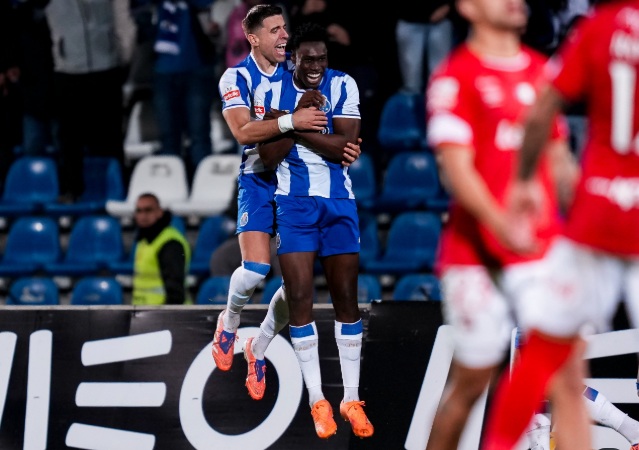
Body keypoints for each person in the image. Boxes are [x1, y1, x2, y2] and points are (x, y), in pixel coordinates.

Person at [481, 0, 639, 448]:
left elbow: (544, 113)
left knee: (543, 353)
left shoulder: (598, 29)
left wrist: (524, 182)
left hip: (599, 210)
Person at [423, 0, 581, 448]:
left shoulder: (543, 70)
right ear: (468, 7)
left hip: (539, 248)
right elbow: (456, 170)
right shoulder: (454, 76)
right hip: (475, 252)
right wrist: (500, 222)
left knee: (566, 377)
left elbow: (559, 159)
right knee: (472, 382)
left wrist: (587, 222)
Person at [253, 22, 373, 440]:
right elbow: (269, 157)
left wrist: (291, 125)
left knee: (346, 300)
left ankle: (351, 400)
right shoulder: (271, 90)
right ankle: (318, 400)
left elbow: (346, 148)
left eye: (322, 58)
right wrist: (297, 117)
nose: (316, 66)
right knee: (300, 295)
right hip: (294, 204)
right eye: (308, 59)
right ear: (293, 59)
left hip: (339, 202)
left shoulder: (344, 84)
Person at [211, 3, 334, 374]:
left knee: (297, 285)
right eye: (275, 30)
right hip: (258, 177)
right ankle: (230, 320)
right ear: (252, 38)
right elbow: (242, 131)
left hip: (296, 180)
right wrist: (291, 121)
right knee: (254, 270)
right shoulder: (236, 77)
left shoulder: (296, 75)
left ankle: (259, 345)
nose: (284, 35)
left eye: (284, 28)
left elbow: (316, 122)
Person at [43, 0, 133, 202]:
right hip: (68, 70)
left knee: (110, 135)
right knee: (69, 136)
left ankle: (115, 187)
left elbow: (122, 15)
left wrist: (122, 52)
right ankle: (72, 189)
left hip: (106, 67)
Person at [152, 0, 220, 181]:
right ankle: (169, 187)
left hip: (197, 69)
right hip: (162, 70)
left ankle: (203, 186)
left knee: (199, 136)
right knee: (168, 137)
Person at [132, 193, 191, 305]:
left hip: (165, 312)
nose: (143, 216)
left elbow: (175, 292)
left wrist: (166, 314)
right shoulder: (144, 240)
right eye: (139, 211)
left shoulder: (169, 243)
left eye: (148, 210)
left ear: (159, 212)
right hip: (146, 311)